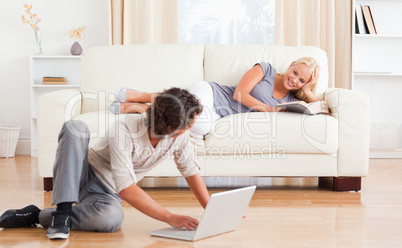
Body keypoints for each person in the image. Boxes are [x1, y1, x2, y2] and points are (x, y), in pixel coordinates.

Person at [0, 87, 210, 240]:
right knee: (76, 127)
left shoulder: (179, 137)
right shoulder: (126, 128)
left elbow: (190, 171)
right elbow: (127, 189)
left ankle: (36, 215)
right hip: (82, 171)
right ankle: (62, 212)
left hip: (106, 192)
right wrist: (170, 217)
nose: (190, 129)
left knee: (111, 219)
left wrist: (211, 209)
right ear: (169, 127)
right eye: (187, 125)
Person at [108, 57, 321, 136]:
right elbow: (239, 94)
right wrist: (268, 109)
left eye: (301, 81)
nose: (294, 80)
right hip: (211, 94)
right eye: (295, 73)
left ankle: (138, 108)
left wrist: (309, 91)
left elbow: (321, 107)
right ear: (291, 65)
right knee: (187, 105)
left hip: (217, 115)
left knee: (198, 127)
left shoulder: (293, 100)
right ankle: (139, 95)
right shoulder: (265, 69)